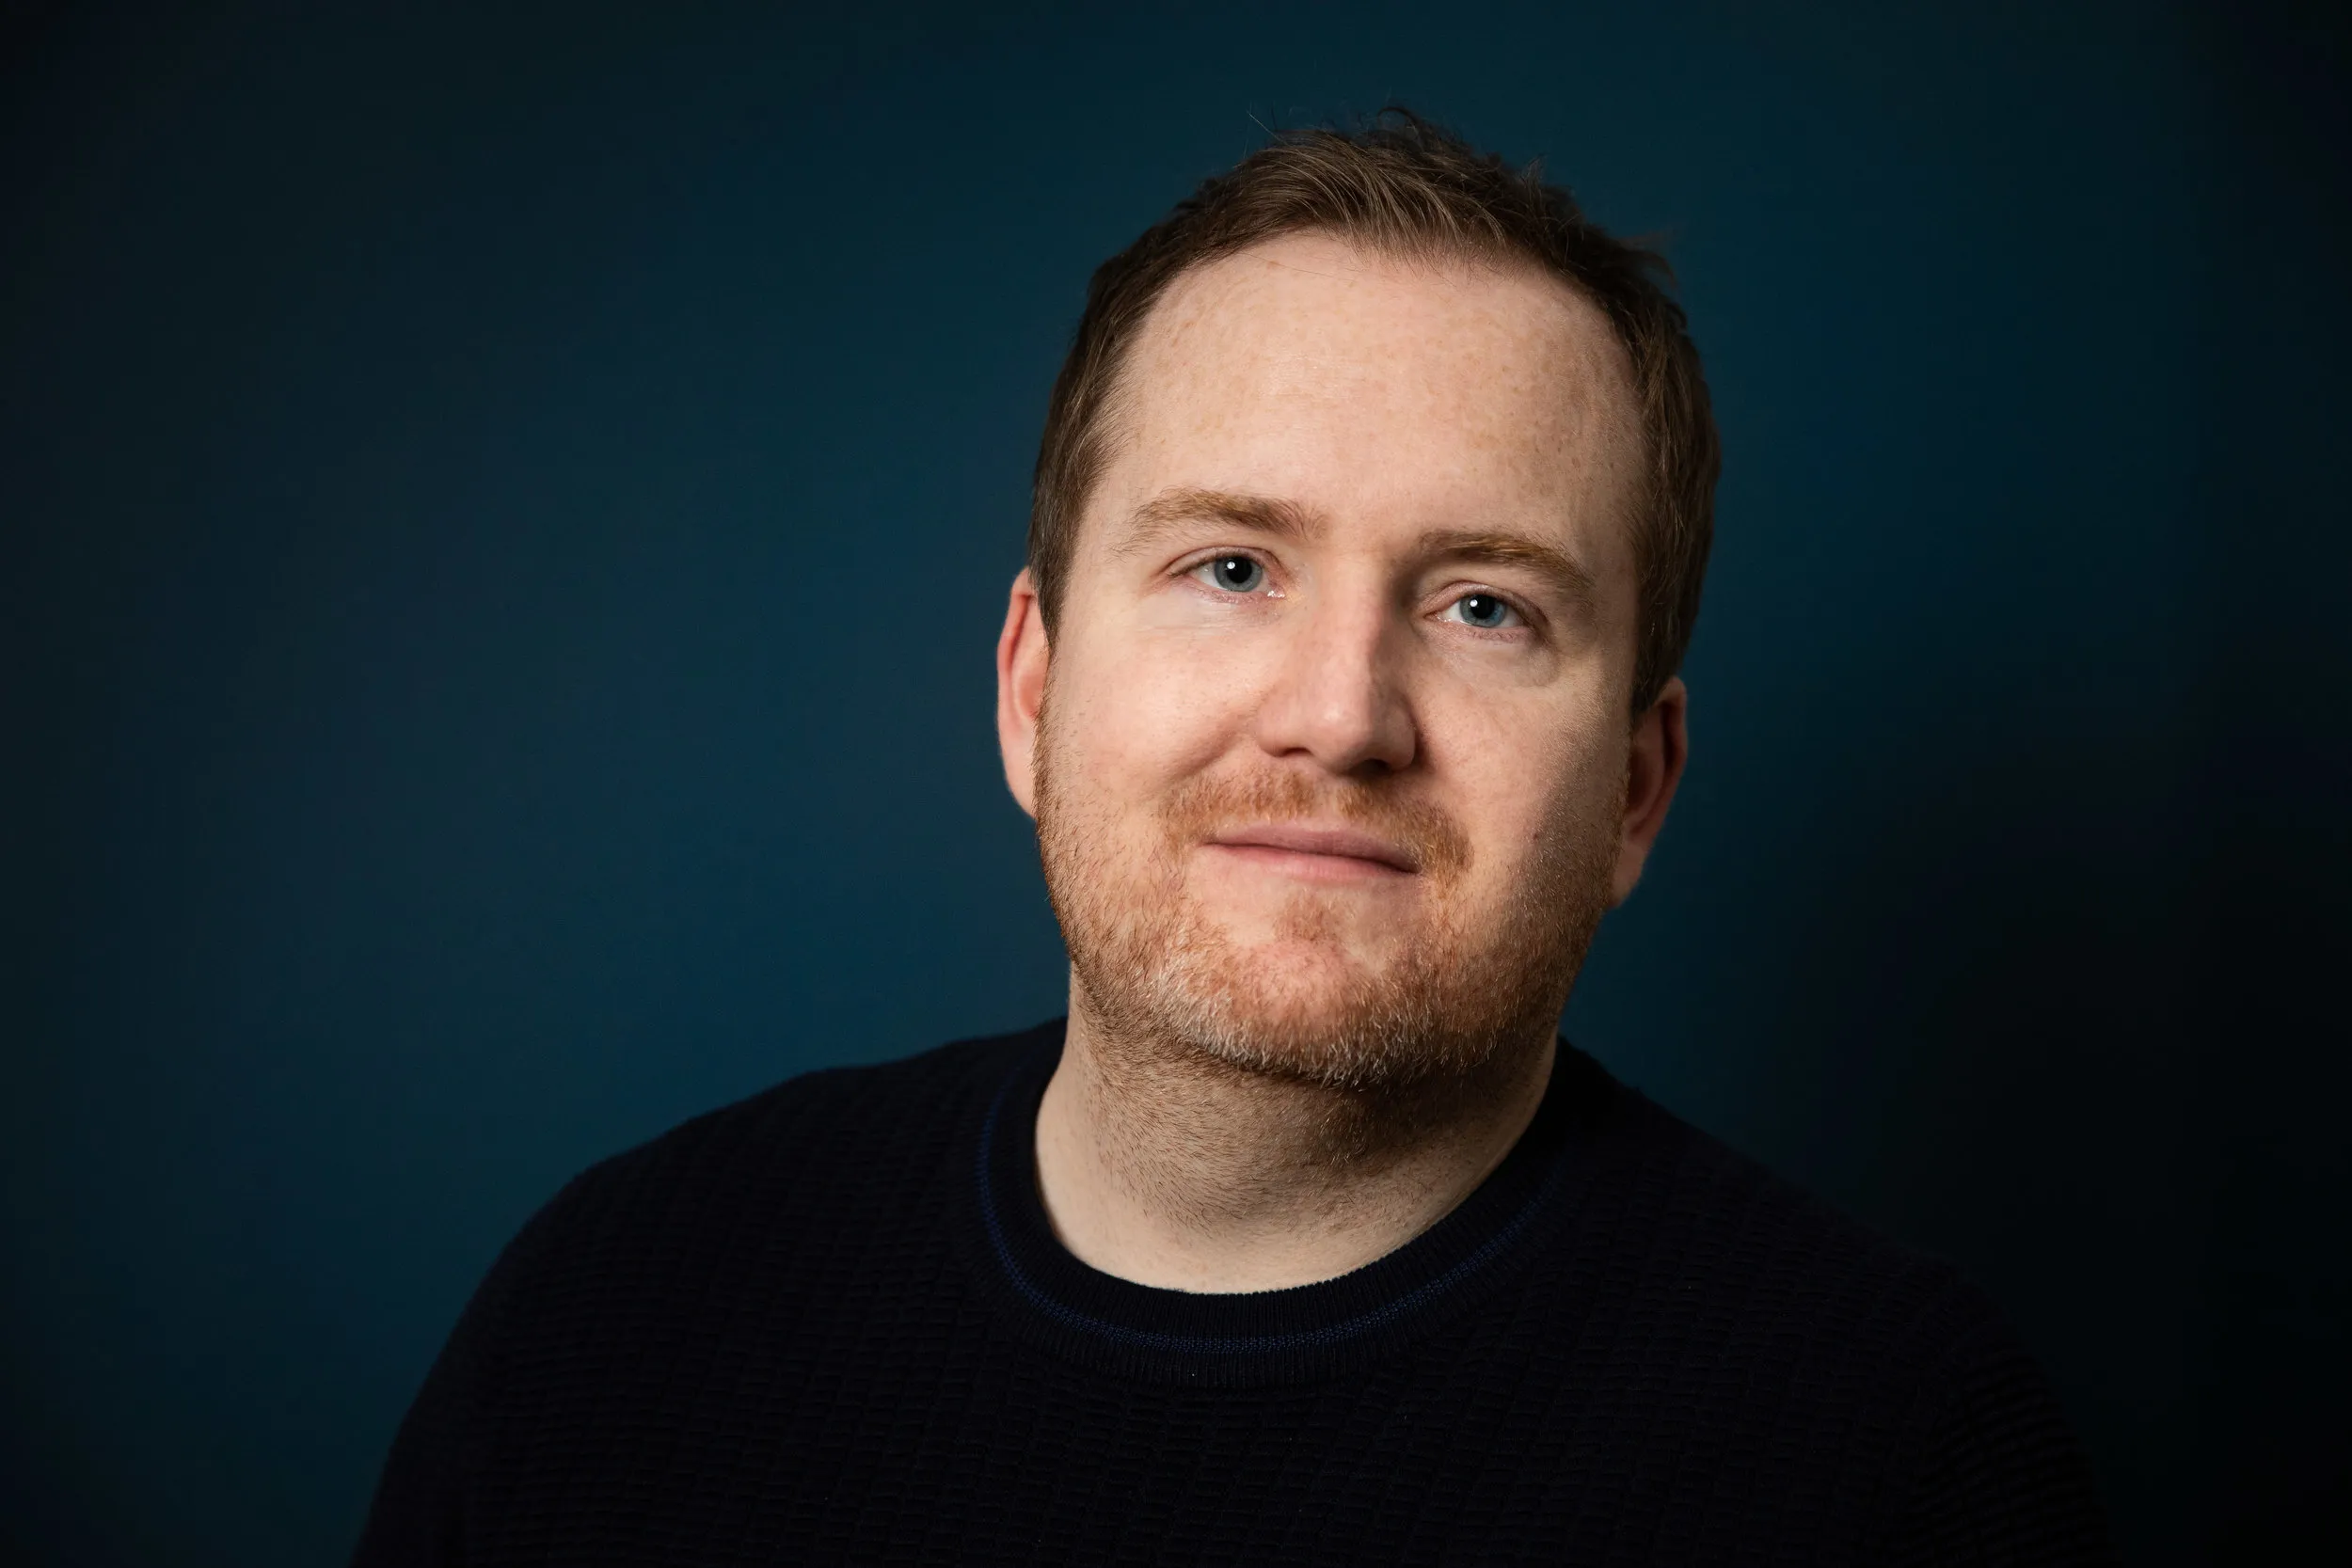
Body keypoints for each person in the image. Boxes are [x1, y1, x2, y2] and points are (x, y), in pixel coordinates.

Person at [353, 111, 2110, 1564]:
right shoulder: (619, 1314)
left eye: (1487, 605)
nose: (1340, 714)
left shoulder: (1897, 1460)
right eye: (1231, 568)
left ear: (1639, 786)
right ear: (1032, 687)